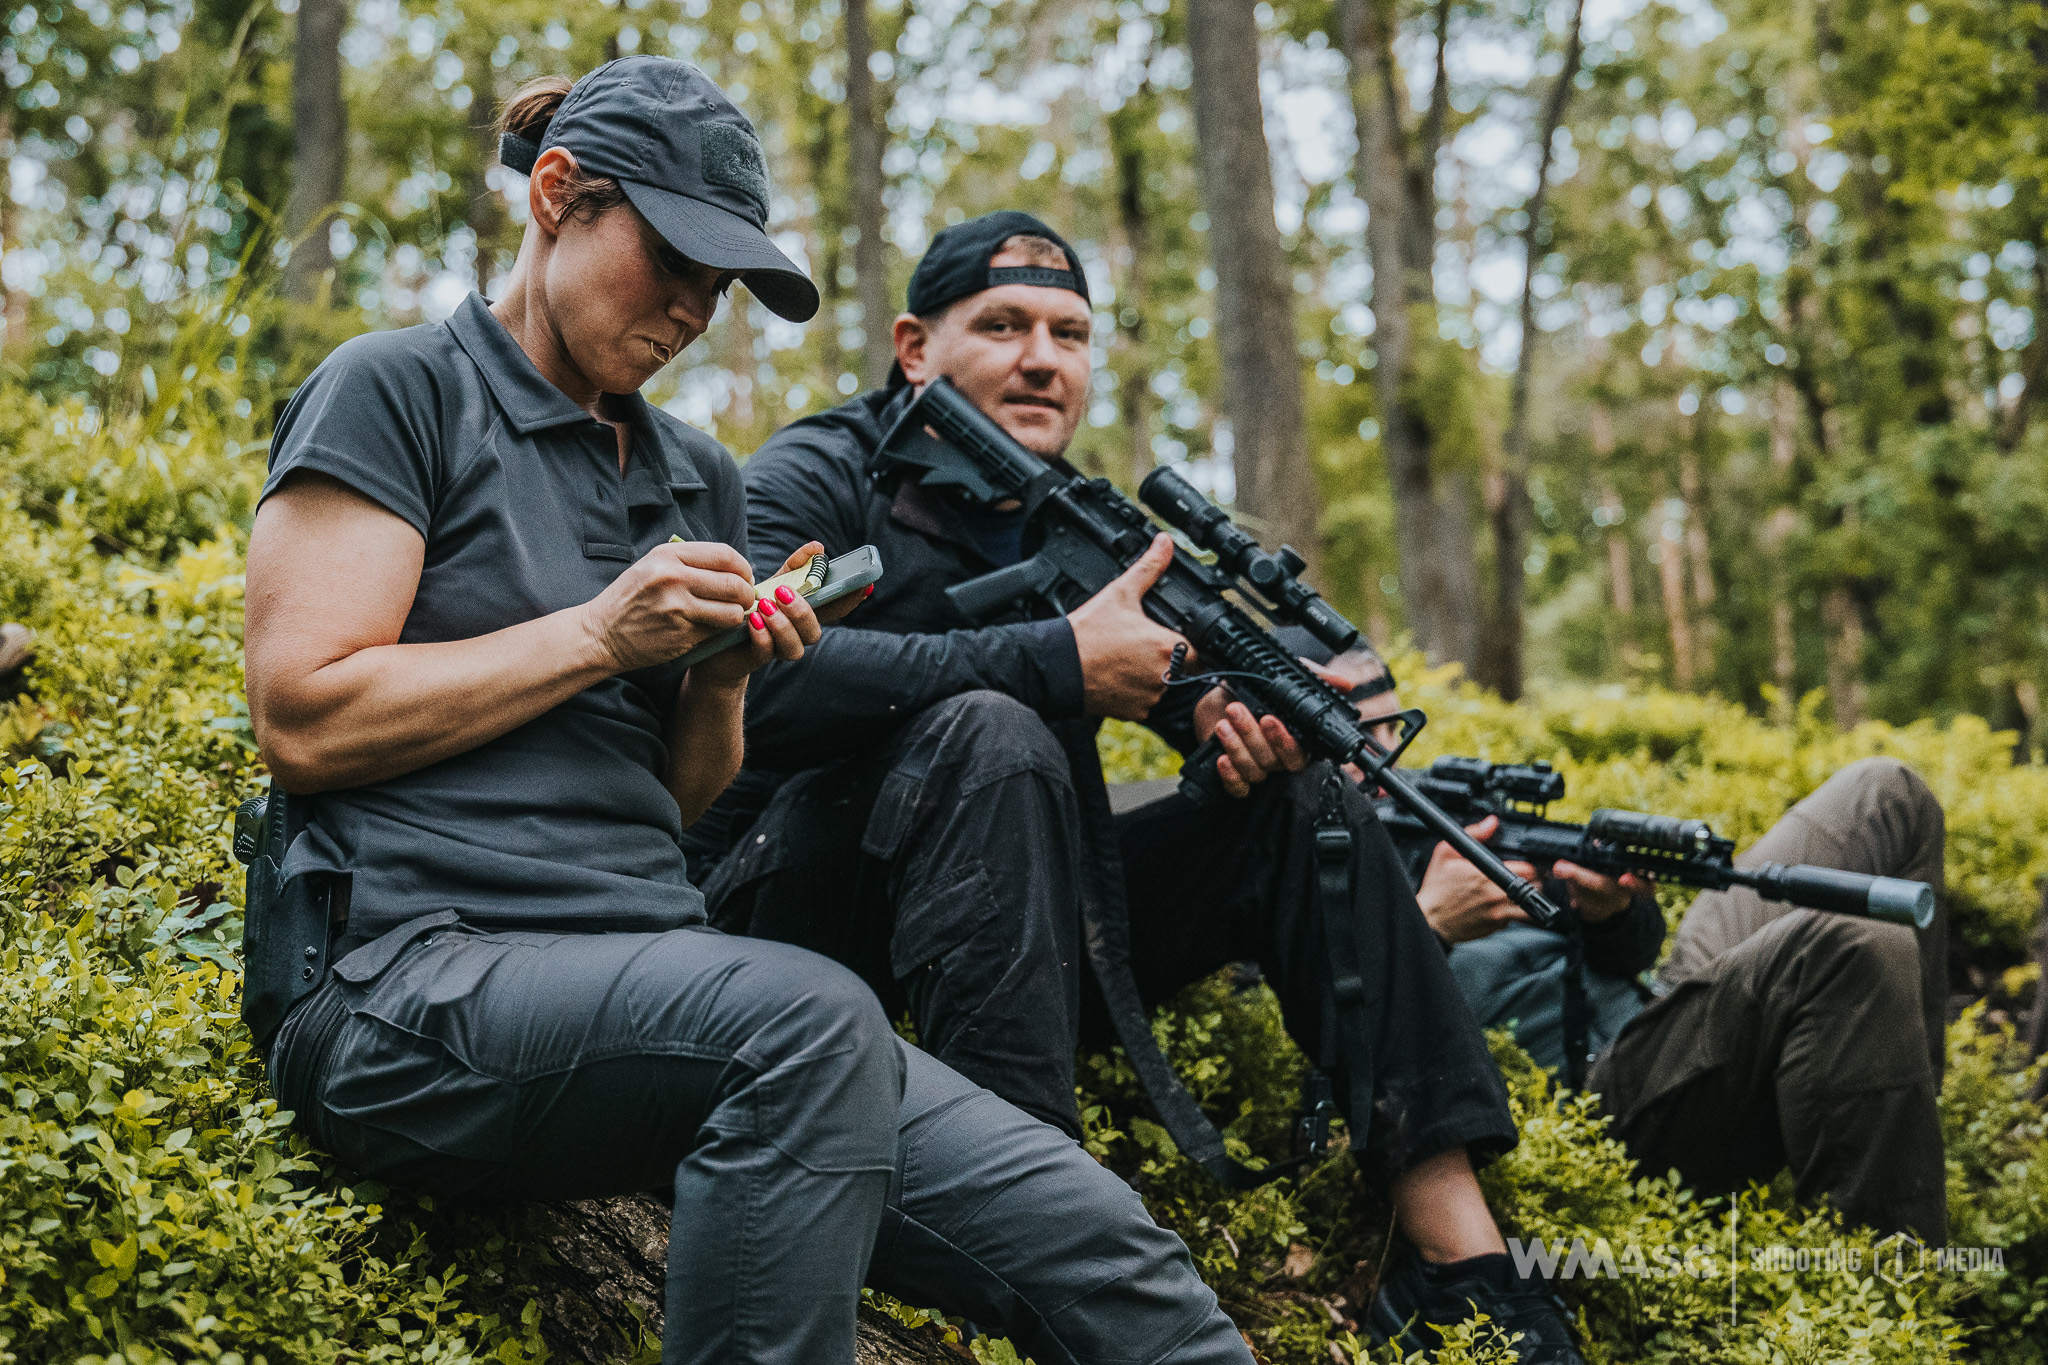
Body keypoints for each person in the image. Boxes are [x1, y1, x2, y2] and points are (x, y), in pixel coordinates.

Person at [244, 61, 1255, 1365]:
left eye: (719, 287)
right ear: (558, 197)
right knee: (808, 1014)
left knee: (1110, 1252)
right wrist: (603, 633)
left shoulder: (695, 477)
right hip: (401, 991)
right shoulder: (396, 391)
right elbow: (305, 715)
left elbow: (670, 802)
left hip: (649, 989)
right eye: (670, 261)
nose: (689, 311)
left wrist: (717, 676)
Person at [686, 211, 1585, 1364]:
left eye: (1069, 333)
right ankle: (1035, 1225)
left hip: (1002, 923)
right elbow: (754, 687)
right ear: (914, 346)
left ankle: (1459, 1261)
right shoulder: (816, 473)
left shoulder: (1086, 524)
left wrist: (1229, 731)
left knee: (1297, 804)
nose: (1041, 358)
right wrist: (1051, 662)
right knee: (991, 729)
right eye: (1001, 325)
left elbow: (1172, 691)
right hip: (788, 920)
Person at [1320, 643, 1950, 1242]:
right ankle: (1896, 1277)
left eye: (1390, 730)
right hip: (1597, 1104)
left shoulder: (1428, 807)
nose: (1380, 756)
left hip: (1657, 1010)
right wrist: (1432, 927)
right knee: (1852, 948)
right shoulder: (1293, 871)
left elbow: (1631, 955)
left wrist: (1611, 914)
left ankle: (1894, 1121)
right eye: (1351, 735)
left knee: (1886, 794)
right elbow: (1321, 1067)